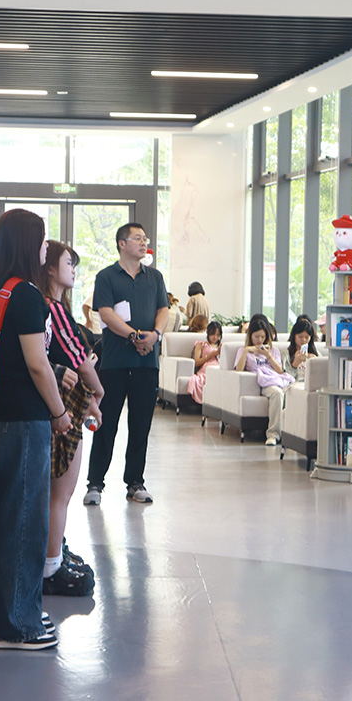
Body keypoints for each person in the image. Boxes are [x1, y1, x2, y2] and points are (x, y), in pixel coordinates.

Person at [0, 209, 69, 650]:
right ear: (26, 244)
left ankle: (0, 606)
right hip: (23, 419)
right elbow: (37, 363)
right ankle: (15, 623)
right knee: (24, 521)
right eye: (42, 239)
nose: (45, 248)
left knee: (5, 516)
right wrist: (59, 412)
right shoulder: (27, 295)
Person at [84, 223, 168, 506]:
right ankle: (95, 483)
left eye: (145, 238)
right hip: (115, 362)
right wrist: (134, 336)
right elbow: (106, 314)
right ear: (122, 244)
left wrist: (155, 335)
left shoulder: (155, 277)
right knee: (106, 423)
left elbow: (163, 309)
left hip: (147, 362)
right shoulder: (107, 276)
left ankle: (135, 482)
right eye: (137, 238)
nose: (144, 243)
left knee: (141, 425)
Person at [41, 240, 103, 596]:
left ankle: (53, 553)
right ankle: (51, 565)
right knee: (60, 492)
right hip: (61, 407)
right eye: (68, 263)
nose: (74, 270)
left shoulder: (49, 306)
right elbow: (78, 356)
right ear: (49, 268)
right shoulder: (52, 308)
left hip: (57, 404)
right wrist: (98, 392)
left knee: (53, 492)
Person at [235, 318, 292, 446]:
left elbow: (280, 370)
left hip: (278, 380)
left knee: (294, 393)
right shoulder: (243, 350)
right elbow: (239, 369)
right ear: (250, 335)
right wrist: (246, 351)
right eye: (256, 336)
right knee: (277, 393)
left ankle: (293, 434)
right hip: (264, 383)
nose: (259, 340)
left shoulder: (273, 350)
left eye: (262, 336)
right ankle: (273, 435)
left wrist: (267, 355)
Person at [187, 319, 222, 404]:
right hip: (206, 368)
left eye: (218, 335)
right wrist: (210, 355)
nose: (215, 337)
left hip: (219, 367)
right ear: (208, 333)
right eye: (213, 334)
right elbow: (196, 362)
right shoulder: (201, 345)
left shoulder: (221, 346)